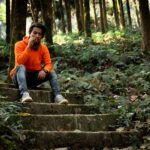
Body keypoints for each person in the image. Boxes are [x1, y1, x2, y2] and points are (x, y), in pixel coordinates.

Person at [10, 22, 68, 104]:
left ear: (42, 37)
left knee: (51, 72)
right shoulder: (19, 44)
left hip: (33, 77)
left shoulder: (43, 48)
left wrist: (44, 71)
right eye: (34, 33)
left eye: (39, 34)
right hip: (19, 76)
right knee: (21, 67)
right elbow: (19, 62)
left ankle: (58, 96)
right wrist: (28, 47)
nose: (37, 35)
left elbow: (49, 64)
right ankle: (24, 94)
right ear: (30, 33)